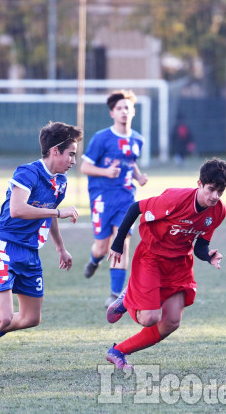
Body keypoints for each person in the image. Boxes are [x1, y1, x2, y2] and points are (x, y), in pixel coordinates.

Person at [0, 121, 83, 380]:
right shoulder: (27, 173)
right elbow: (17, 209)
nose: (73, 160)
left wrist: (61, 247)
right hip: (4, 247)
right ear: (55, 151)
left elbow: (48, 212)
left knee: (30, 318)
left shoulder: (61, 181)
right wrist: (59, 211)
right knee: (2, 318)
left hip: (30, 252)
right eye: (71, 154)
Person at [104, 158, 226, 370]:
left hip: (180, 265)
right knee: (149, 318)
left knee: (172, 322)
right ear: (199, 184)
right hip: (152, 257)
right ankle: (128, 297)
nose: (215, 197)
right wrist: (118, 244)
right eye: (211, 189)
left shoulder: (218, 211)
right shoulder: (175, 199)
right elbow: (136, 208)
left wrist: (208, 255)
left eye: (220, 191)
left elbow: (201, 245)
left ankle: (118, 351)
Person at [80, 89, 148, 308]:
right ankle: (94, 260)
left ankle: (115, 294)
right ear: (112, 113)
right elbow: (84, 166)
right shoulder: (101, 138)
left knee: (123, 241)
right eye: (119, 108)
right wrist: (106, 172)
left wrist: (138, 176)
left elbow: (130, 161)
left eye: (127, 108)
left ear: (133, 111)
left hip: (126, 199)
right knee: (102, 247)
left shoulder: (138, 139)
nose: (124, 112)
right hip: (101, 198)